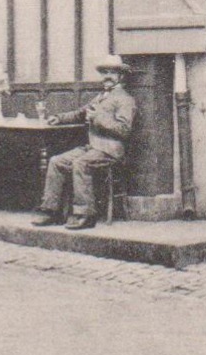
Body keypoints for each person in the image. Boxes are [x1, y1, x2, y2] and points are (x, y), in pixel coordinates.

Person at [33, 55, 138, 230]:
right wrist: (58, 118)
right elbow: (80, 113)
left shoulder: (125, 99)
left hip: (111, 150)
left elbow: (124, 130)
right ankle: (52, 210)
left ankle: (85, 214)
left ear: (121, 76)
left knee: (80, 163)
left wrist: (98, 119)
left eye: (112, 72)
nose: (107, 76)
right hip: (92, 147)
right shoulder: (100, 97)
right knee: (56, 161)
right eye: (105, 72)